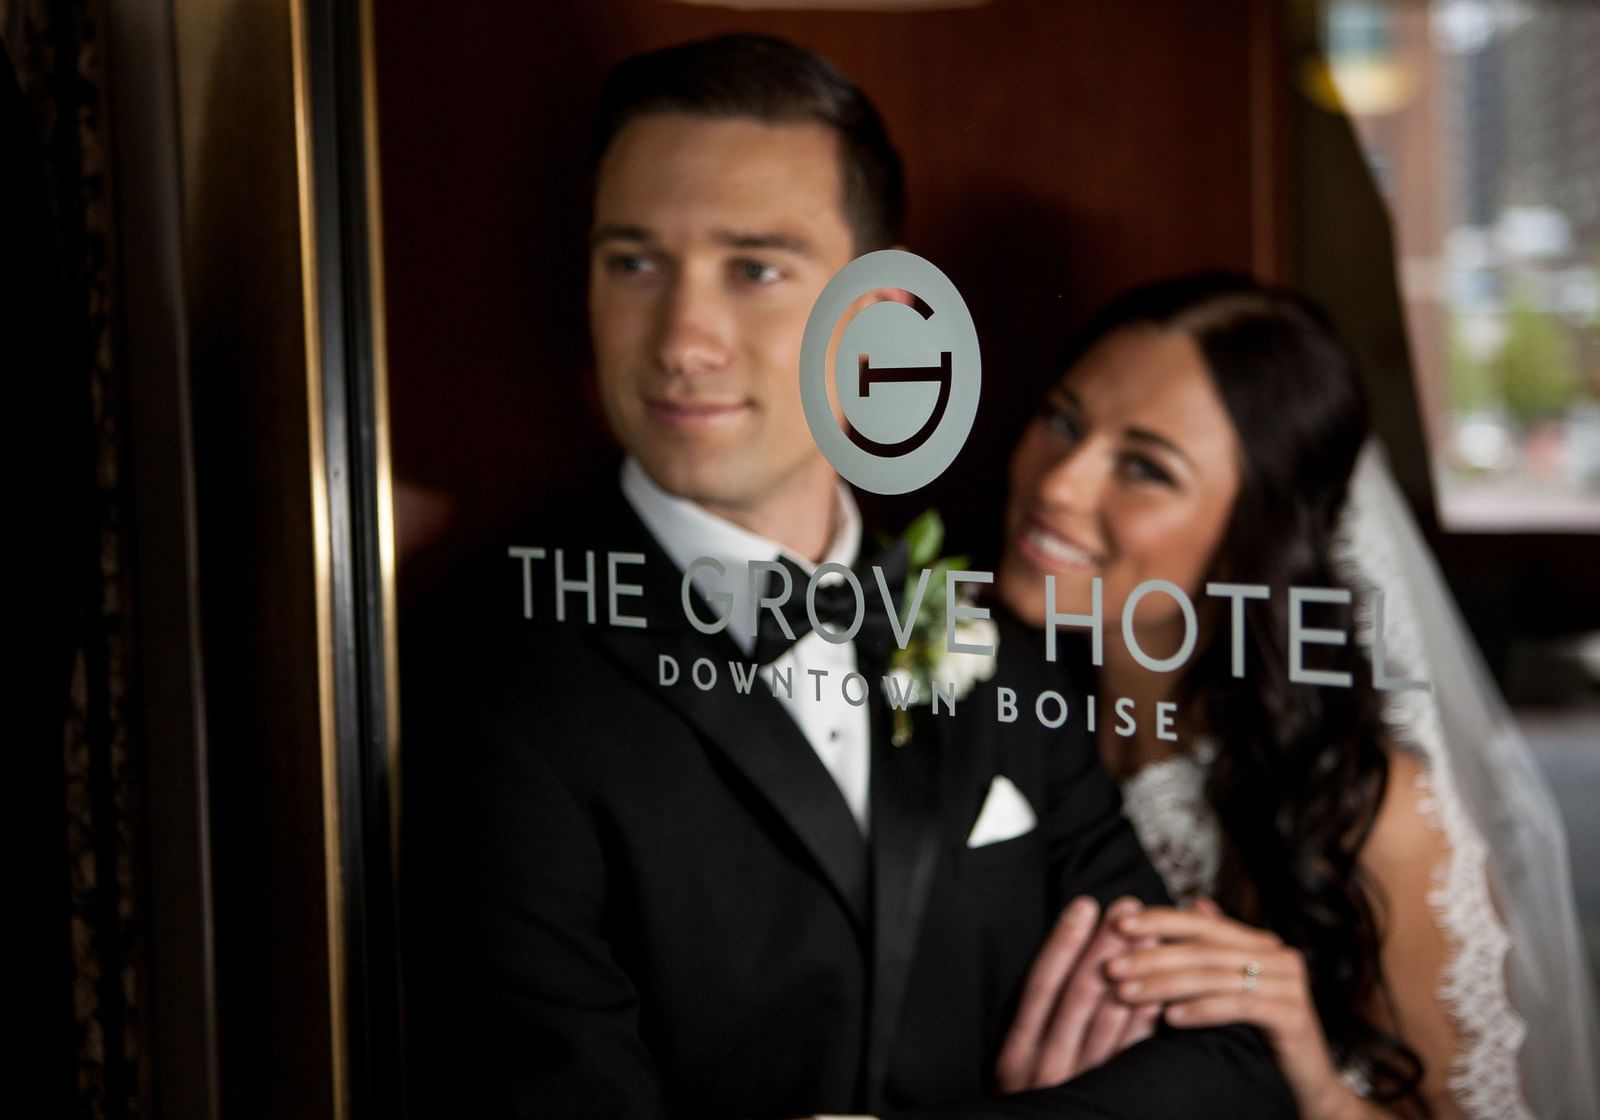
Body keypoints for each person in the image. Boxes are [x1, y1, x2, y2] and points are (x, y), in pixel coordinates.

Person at [402, 35, 1296, 1120]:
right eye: (632, 260)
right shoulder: (492, 671)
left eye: (754, 268)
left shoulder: (1000, 650)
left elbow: (1230, 1076)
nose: (681, 341)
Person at [994, 272, 1600, 1119]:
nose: (1059, 483)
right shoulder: (985, 714)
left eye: (1144, 467)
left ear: (1258, 534)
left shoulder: (1370, 815)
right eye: (1062, 420)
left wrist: (1311, 1081)